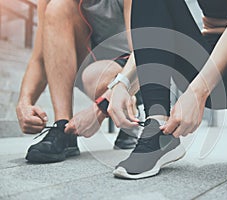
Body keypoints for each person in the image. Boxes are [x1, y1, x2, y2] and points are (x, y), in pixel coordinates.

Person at [108, 0, 227, 179]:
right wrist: (123, 83)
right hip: (205, 63)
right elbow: (153, 30)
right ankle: (157, 130)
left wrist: (197, 92)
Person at [16, 0, 140, 163]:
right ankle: (63, 128)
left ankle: (130, 112)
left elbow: (143, 53)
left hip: (133, 67)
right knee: (57, 7)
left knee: (93, 76)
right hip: (92, 59)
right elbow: (40, 58)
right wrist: (24, 103)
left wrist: (99, 107)